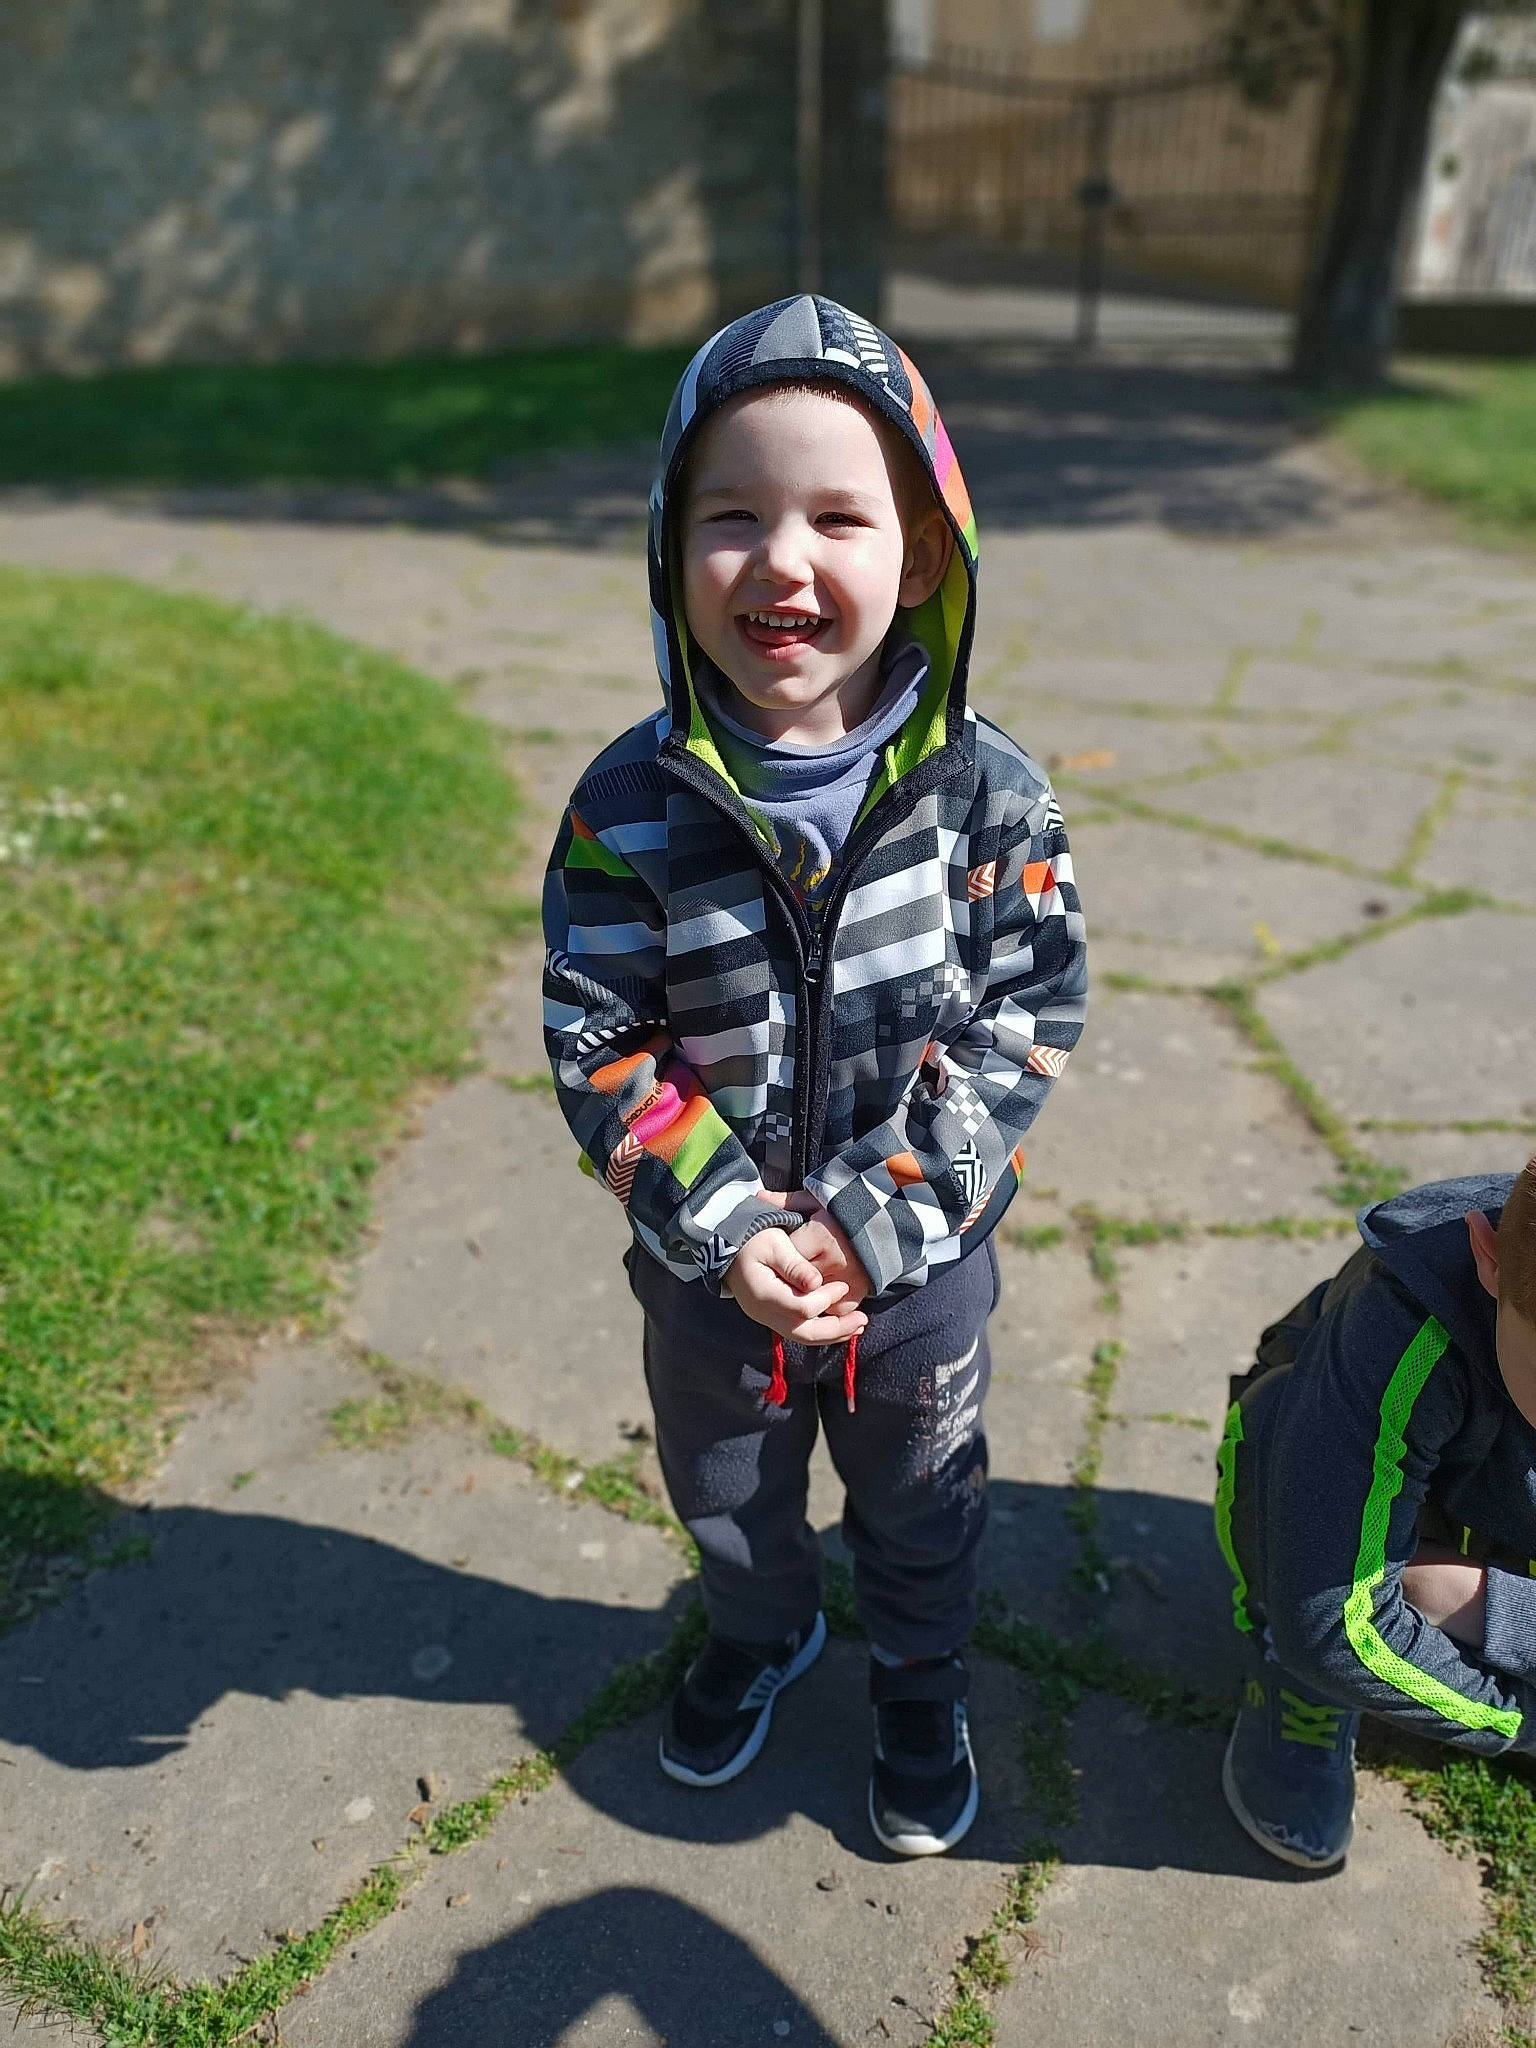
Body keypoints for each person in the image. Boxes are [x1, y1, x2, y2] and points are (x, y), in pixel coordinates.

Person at [542, 295, 1086, 1856]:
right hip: (716, 1279)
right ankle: (762, 1626)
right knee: (724, 1485)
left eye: (838, 518)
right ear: (670, 555)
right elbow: (599, 1034)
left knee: (924, 1491)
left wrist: (879, 1214)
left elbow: (1028, 1010)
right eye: (732, 517)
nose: (781, 561)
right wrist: (725, 1227)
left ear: (921, 560)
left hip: (918, 1273)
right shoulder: (630, 807)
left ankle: (919, 1676)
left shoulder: (989, 796)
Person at [1216, 1158, 1536, 1870]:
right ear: (1489, 1259)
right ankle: (1298, 1685)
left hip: (1473, 1553)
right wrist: (1523, 1719)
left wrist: (1490, 1607)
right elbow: (1329, 1626)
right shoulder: (1402, 1331)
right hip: (1392, 1513)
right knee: (1289, 1464)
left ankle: (1448, 1615)